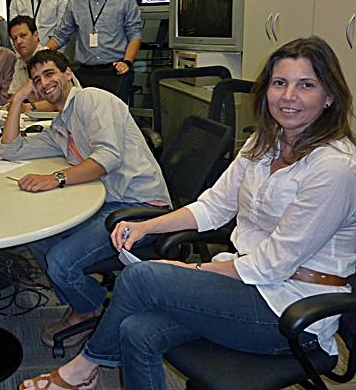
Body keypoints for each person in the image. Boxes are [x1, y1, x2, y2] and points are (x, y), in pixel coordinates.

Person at [21, 36, 356, 390]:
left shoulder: (334, 166)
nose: (289, 96)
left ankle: (80, 370)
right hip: (248, 282)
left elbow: (272, 265)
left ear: (329, 95)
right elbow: (213, 206)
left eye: (306, 85)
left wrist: (188, 270)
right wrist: (145, 226)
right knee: (136, 331)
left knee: (141, 278)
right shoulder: (264, 143)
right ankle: (84, 371)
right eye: (279, 83)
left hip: (289, 310)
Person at [0, 49, 170, 350]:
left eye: (50, 73)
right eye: (36, 80)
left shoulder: (93, 99)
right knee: (39, 234)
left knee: (60, 261)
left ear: (68, 74)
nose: (43, 83)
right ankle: (83, 303)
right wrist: (16, 100)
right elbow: (11, 150)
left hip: (140, 210)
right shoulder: (62, 123)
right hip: (109, 204)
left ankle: (87, 310)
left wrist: (57, 179)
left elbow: (108, 158)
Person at [47, 0, 142, 103]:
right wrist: (40, 54)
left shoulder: (125, 0)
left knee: (113, 122)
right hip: (85, 74)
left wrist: (127, 62)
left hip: (116, 71)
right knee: (85, 120)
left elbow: (135, 35)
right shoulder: (75, 2)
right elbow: (62, 35)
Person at [8, 15, 80, 112]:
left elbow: (63, 99)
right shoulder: (20, 62)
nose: (19, 42)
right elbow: (13, 97)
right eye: (14, 39)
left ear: (36, 35)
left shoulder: (50, 58)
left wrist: (28, 107)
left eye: (23, 36)